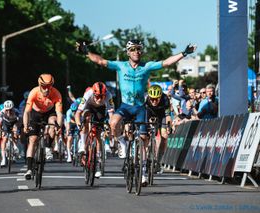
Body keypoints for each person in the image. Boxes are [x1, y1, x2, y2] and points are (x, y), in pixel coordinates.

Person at [76, 39, 196, 184]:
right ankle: (122, 143)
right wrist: (86, 52)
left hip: (140, 107)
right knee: (113, 123)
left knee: (144, 139)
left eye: (139, 49)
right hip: (126, 106)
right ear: (128, 52)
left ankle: (144, 171)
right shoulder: (121, 66)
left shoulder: (146, 67)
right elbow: (100, 61)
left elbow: (166, 62)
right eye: (133, 49)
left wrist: (184, 53)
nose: (136, 52)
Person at [23, 74, 63, 180]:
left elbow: (59, 113)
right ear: (39, 85)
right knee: (33, 139)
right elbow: (27, 111)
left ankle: (48, 147)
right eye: (44, 86)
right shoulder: (34, 92)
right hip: (35, 114)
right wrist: (26, 125)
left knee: (53, 123)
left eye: (49, 86)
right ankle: (29, 169)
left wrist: (58, 126)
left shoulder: (56, 93)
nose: (46, 89)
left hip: (49, 113)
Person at [75, 82, 114, 178]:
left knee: (98, 134)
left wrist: (110, 126)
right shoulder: (88, 93)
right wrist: (79, 124)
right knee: (86, 118)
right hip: (89, 107)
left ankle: (98, 159)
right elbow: (78, 113)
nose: (100, 99)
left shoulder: (109, 95)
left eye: (102, 96)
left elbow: (111, 115)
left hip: (101, 109)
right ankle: (83, 145)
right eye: (97, 96)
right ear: (93, 93)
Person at [145, 85, 171, 175]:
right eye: (152, 99)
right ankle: (144, 154)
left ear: (160, 96)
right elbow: (142, 113)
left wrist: (168, 126)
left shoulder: (165, 99)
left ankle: (158, 162)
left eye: (156, 99)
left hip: (161, 115)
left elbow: (168, 116)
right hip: (149, 113)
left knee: (164, 135)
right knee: (145, 133)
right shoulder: (146, 98)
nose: (154, 101)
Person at [0, 100, 20, 167]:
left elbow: (19, 122)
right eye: (7, 110)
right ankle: (3, 159)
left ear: (13, 108)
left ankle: (15, 146)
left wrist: (17, 129)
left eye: (10, 110)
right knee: (4, 138)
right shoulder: (2, 112)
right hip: (6, 123)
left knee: (15, 133)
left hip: (14, 122)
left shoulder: (16, 112)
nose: (8, 112)